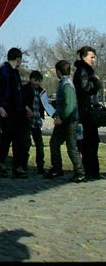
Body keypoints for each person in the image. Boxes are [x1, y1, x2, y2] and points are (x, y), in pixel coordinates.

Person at [44, 59, 86, 183]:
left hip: (69, 121)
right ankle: (57, 168)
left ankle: (80, 172)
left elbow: (70, 104)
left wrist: (61, 118)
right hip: (65, 119)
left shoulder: (66, 84)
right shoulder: (66, 82)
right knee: (54, 143)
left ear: (58, 71)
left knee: (71, 146)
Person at [0, 47, 29, 178]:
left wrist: (24, 106)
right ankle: (1, 162)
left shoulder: (14, 72)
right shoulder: (4, 72)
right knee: (7, 138)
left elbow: (18, 92)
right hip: (7, 110)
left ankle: (16, 165)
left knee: (18, 140)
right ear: (18, 59)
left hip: (16, 110)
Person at [73, 45, 102, 180]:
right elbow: (85, 88)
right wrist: (95, 82)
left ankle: (93, 171)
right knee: (90, 142)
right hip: (85, 111)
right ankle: (91, 171)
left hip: (88, 109)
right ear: (84, 57)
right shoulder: (83, 71)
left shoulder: (85, 70)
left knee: (92, 141)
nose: (94, 60)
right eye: (92, 57)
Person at [21, 70, 47, 174]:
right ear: (31, 79)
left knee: (39, 144)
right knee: (26, 143)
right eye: (36, 80)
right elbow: (21, 101)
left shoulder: (41, 91)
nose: (37, 83)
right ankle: (24, 164)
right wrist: (26, 108)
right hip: (27, 120)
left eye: (39, 81)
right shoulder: (25, 89)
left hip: (37, 120)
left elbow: (44, 105)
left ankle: (40, 165)